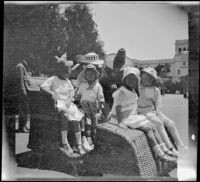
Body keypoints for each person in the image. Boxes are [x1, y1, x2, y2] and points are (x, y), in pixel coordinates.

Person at [108, 67, 176, 161]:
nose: (132, 81)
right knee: (147, 129)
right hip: (124, 118)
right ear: (124, 80)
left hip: (132, 117)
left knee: (153, 126)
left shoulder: (132, 90)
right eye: (129, 78)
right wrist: (120, 122)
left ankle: (165, 149)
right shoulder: (122, 92)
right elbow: (118, 108)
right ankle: (159, 153)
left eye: (134, 79)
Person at [40, 53, 86, 157]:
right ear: (60, 71)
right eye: (65, 72)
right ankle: (64, 142)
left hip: (68, 104)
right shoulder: (53, 79)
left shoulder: (68, 81)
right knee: (65, 116)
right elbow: (43, 87)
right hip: (59, 104)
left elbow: (71, 93)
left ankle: (79, 144)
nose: (67, 74)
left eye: (68, 72)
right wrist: (52, 93)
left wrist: (69, 101)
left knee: (76, 119)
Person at [137, 67, 188, 157]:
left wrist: (158, 113)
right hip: (142, 111)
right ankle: (170, 148)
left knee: (171, 123)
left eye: (147, 79)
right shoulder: (139, 86)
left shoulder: (156, 90)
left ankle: (181, 146)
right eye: (143, 78)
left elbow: (158, 105)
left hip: (153, 111)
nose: (144, 80)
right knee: (159, 123)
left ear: (152, 80)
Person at [75, 64, 105, 149]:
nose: (90, 75)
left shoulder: (98, 86)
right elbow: (77, 96)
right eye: (87, 74)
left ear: (95, 74)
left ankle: (94, 140)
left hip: (94, 107)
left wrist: (100, 109)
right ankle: (87, 140)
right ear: (85, 75)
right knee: (85, 121)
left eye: (92, 73)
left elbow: (101, 98)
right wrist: (76, 106)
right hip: (83, 106)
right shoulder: (83, 85)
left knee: (94, 123)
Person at [16, 60, 34, 132]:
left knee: (25, 110)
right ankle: (22, 127)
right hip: (23, 92)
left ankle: (23, 126)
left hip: (26, 91)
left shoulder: (24, 67)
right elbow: (21, 81)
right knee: (23, 110)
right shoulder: (20, 66)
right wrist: (24, 92)